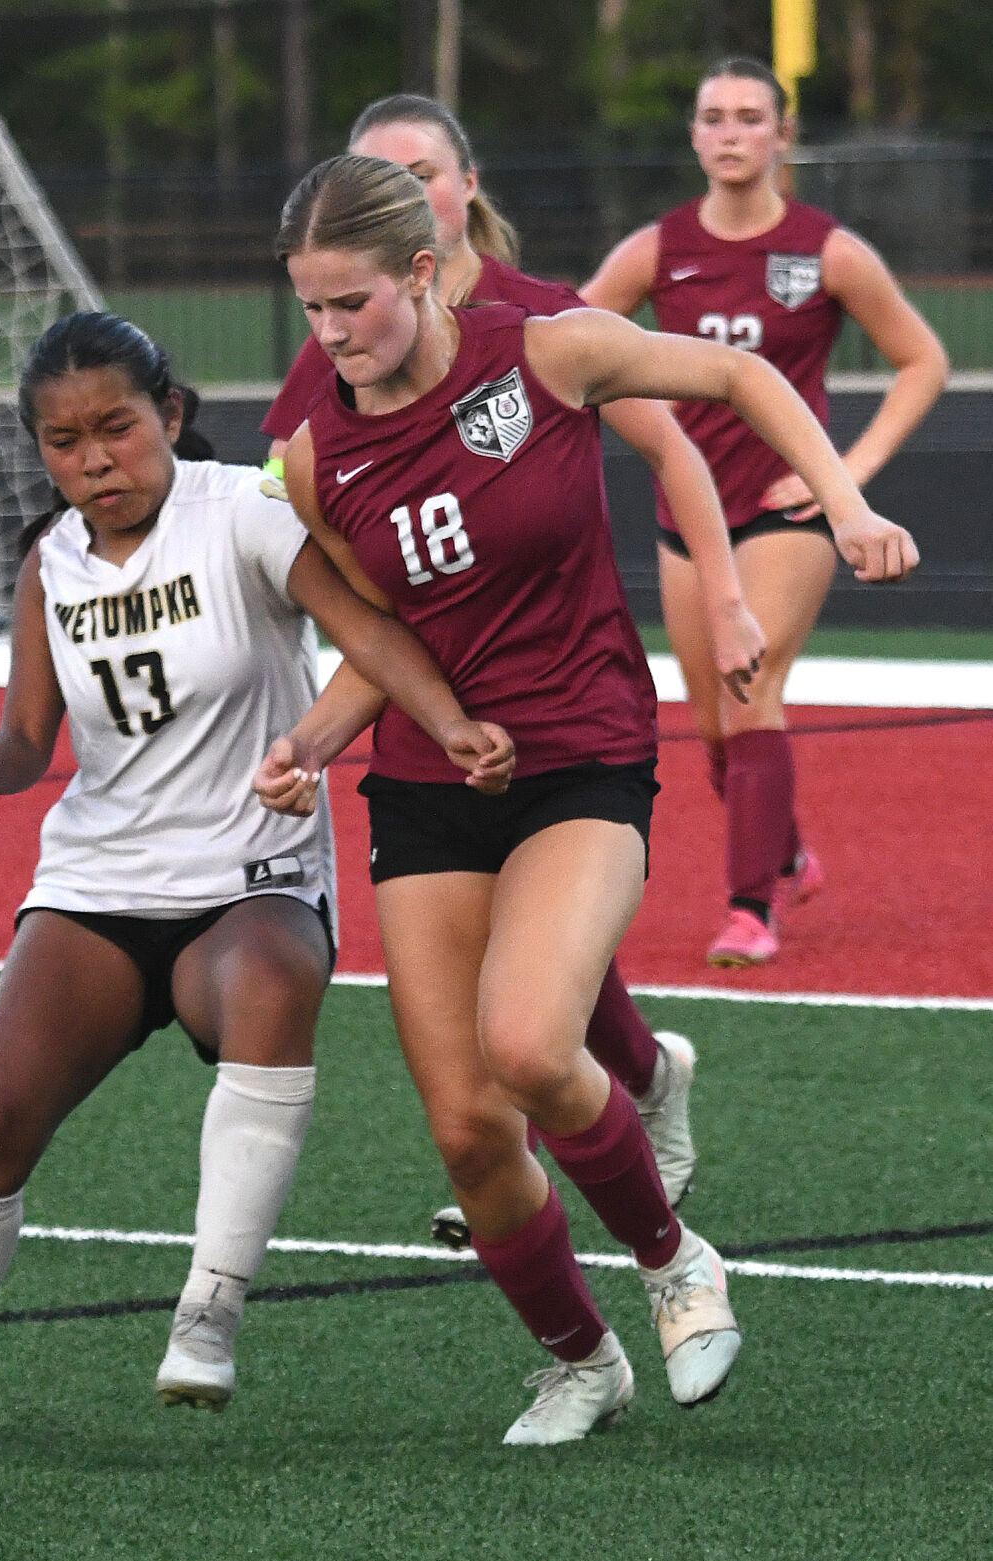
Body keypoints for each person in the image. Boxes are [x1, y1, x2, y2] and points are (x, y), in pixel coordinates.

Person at [257, 153, 917, 1446]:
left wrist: (841, 503)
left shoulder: (542, 353)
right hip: (429, 782)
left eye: (353, 305)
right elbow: (380, 633)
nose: (331, 337)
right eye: (309, 311)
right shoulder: (311, 452)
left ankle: (675, 1265)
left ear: (422, 270)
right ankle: (578, 1361)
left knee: (524, 1047)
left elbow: (735, 378)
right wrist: (310, 743)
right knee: (464, 1131)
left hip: (582, 754)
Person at [0, 310, 513, 1434]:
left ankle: (208, 1312)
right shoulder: (51, 563)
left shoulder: (240, 507)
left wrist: (452, 721)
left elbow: (371, 632)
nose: (94, 459)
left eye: (117, 429)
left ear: (170, 416)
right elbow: (35, 738)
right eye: (63, 441)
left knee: (272, 984)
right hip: (98, 881)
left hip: (249, 872)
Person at [265, 93, 769, 1218]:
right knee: (502, 1011)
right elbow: (356, 586)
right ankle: (519, 1143)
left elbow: (676, 434)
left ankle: (615, 1092)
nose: (403, 188)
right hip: (434, 745)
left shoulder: (541, 327)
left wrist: (726, 593)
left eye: (419, 171)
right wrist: (305, 730)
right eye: (370, 169)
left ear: (459, 192)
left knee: (535, 978)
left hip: (565, 721)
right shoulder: (335, 352)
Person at [582, 57, 948, 966]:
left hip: (788, 514)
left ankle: (750, 906)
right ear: (694, 135)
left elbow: (922, 361)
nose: (731, 133)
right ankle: (782, 846)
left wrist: (843, 479)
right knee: (710, 725)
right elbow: (573, 347)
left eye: (751, 117)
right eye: (713, 118)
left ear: (783, 136)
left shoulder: (826, 250)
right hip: (685, 516)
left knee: (754, 690)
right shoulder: (658, 248)